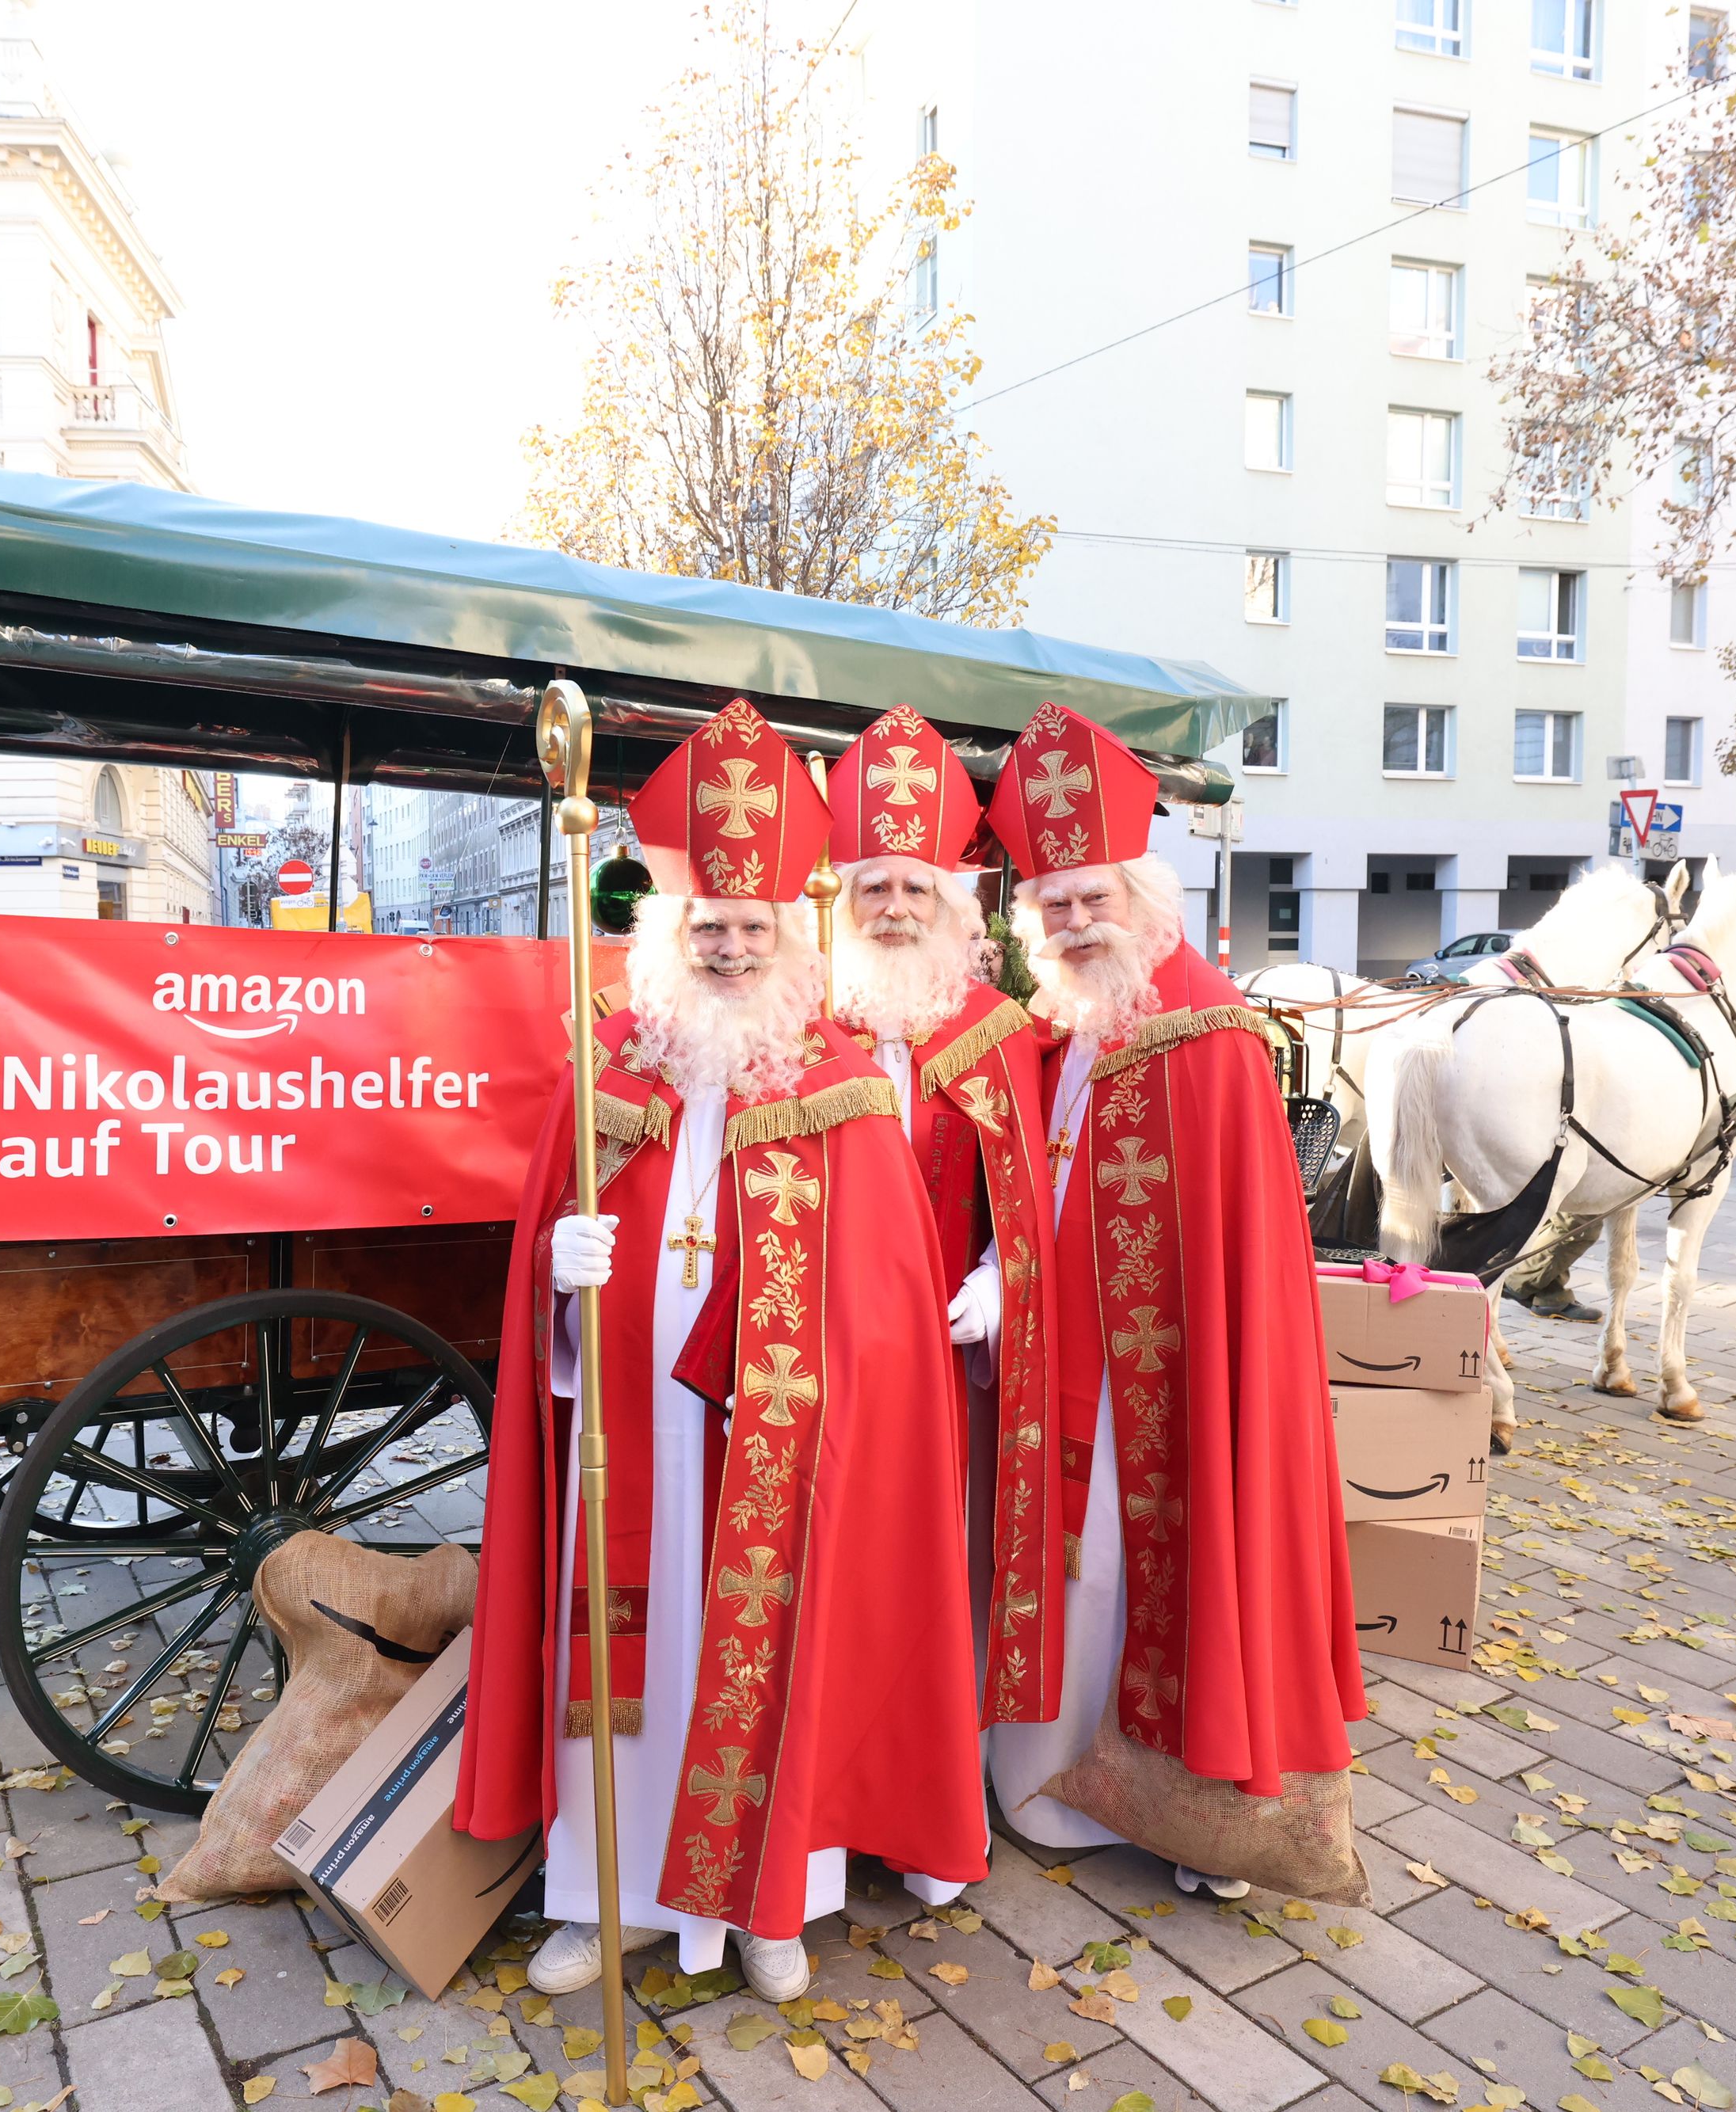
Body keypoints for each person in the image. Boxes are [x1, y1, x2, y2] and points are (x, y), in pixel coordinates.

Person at [458, 698, 985, 2001]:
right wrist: (560, 1285)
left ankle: (774, 1906)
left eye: (755, 928)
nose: (734, 947)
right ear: (670, 931)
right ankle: (603, 1895)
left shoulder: (842, 1085)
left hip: (775, 1448)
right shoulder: (611, 1073)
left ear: (794, 935)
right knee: (621, 1652)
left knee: (773, 1651)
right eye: (711, 928)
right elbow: (546, 1283)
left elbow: (882, 1305)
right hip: (624, 1428)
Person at [977, 702, 1367, 1897]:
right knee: (1083, 1582)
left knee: (1165, 1565)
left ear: (1145, 900)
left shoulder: (1207, 1032)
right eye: (1054, 904)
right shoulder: (1058, 1032)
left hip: (1171, 1381)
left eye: (1094, 899)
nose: (1076, 921)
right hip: (1065, 1374)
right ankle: (1059, 1777)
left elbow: (1233, 1248)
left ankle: (1195, 1803)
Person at [825, 704, 1060, 1752]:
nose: (892, 904)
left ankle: (934, 1752)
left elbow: (1027, 1190)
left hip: (945, 1353)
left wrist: (1003, 1276)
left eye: (915, 885)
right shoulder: (800, 1025)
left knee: (938, 1556)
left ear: (953, 905)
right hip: (824, 1351)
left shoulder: (995, 1032)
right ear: (841, 899)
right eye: (872, 884)